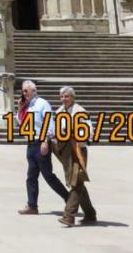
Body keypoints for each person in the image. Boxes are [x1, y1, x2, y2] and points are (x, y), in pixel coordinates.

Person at [17, 79, 68, 214]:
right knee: (31, 176)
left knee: (48, 176)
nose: (25, 93)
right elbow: (20, 122)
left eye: (27, 91)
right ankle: (32, 205)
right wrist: (20, 108)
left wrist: (46, 141)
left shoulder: (42, 104)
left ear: (34, 91)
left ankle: (69, 199)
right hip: (30, 144)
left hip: (41, 143)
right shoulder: (25, 105)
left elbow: (48, 123)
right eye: (23, 91)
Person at [49, 86, 97, 227]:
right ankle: (90, 213)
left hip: (78, 150)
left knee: (75, 182)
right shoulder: (59, 113)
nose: (64, 99)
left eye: (67, 96)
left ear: (73, 98)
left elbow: (90, 132)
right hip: (65, 152)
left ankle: (69, 216)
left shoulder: (80, 112)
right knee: (77, 182)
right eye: (62, 97)